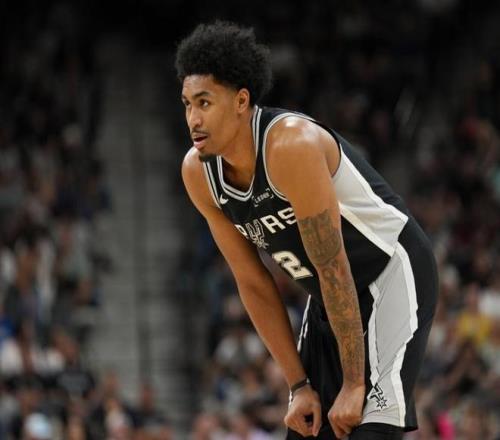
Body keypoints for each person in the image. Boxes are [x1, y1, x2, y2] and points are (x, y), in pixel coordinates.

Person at [176, 21, 438, 440]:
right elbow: (252, 281)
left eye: (204, 103)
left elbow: (333, 266)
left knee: (371, 429)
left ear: (241, 100)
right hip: (330, 298)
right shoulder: (198, 174)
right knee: (307, 428)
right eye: (188, 104)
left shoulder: (290, 146)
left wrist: (353, 383)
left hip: (390, 271)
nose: (193, 118)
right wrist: (298, 386)